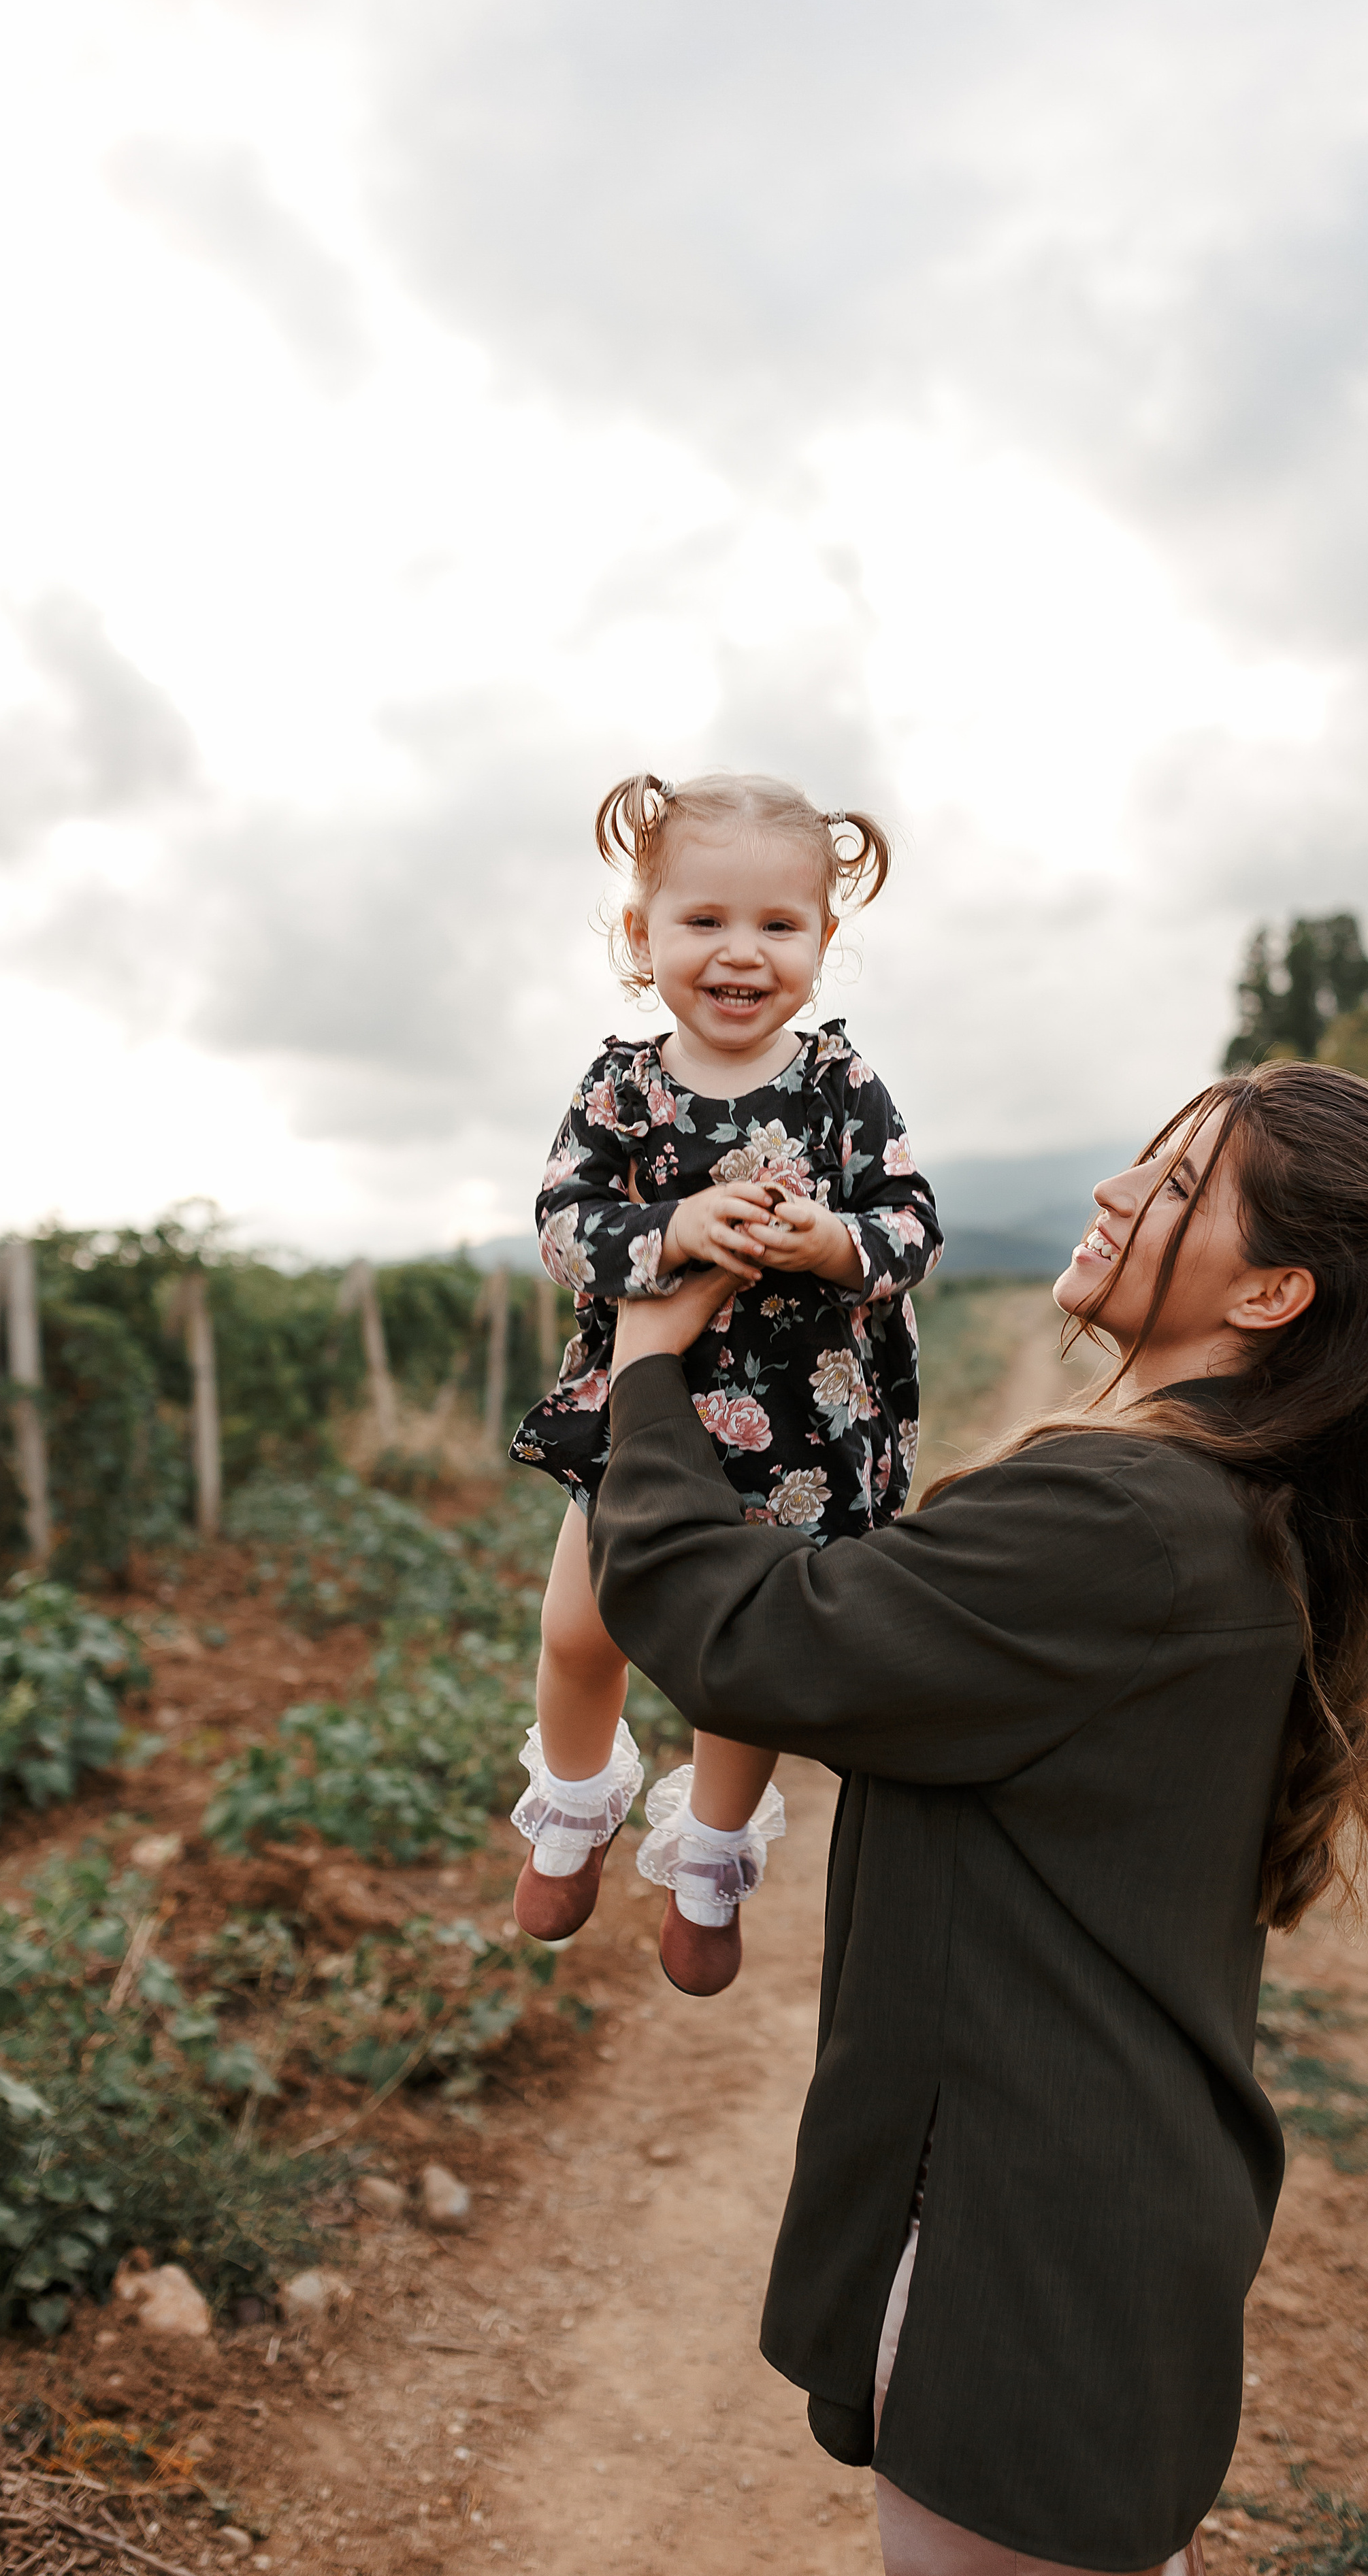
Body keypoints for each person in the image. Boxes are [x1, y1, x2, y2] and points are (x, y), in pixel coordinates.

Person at [586, 1060, 1368, 2574]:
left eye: (1170, 1187)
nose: (1110, 1191)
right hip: (1083, 2237)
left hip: (1024, 2257)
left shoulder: (1120, 1521)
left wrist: (641, 1369)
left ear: (1272, 1295)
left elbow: (751, 1639)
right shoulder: (1213, 1503)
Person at [508, 770, 942, 1994]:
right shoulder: (620, 1089)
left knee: (735, 1659)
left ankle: (709, 1854)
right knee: (580, 1626)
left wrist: (835, 1246)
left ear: (822, 942)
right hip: (636, 1419)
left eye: (777, 925)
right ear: (642, 937)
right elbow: (560, 1227)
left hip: (796, 1434)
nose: (740, 954)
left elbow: (913, 1224)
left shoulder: (841, 1089)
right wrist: (676, 1231)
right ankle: (577, 1801)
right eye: (704, 922)